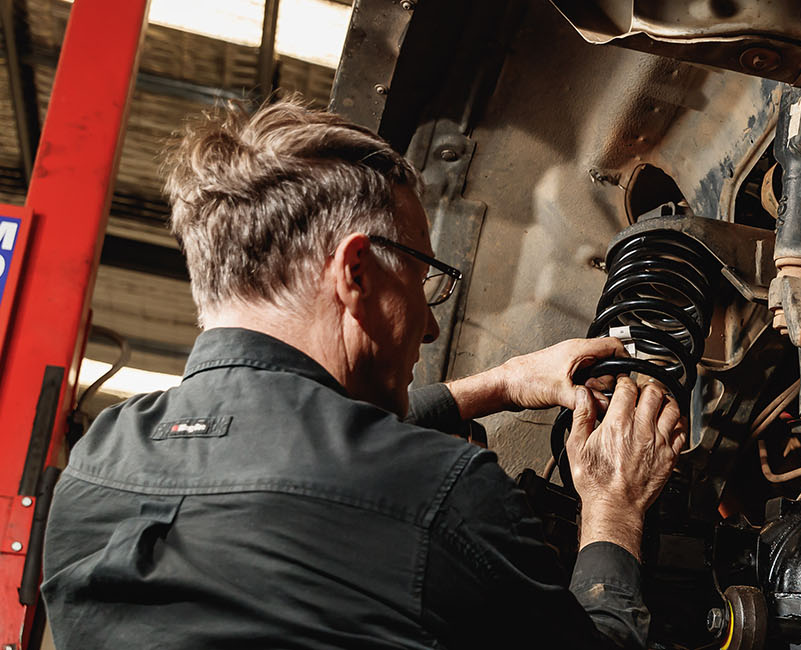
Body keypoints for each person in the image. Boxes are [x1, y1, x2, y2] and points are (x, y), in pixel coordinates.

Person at [40, 97, 683, 648]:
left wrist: (501, 382)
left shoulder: (95, 467)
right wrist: (612, 506)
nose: (431, 328)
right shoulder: (445, 495)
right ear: (355, 274)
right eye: (420, 279)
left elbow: (292, 449)